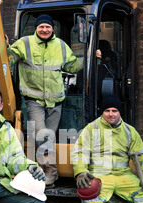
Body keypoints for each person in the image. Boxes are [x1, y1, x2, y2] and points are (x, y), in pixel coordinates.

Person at [7, 14, 101, 188]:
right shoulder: (25, 43)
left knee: (46, 138)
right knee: (43, 137)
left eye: (47, 27)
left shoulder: (61, 46)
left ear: (52, 29)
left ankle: (45, 173)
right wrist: (3, 45)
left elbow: (72, 65)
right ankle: (51, 173)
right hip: (34, 101)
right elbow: (9, 58)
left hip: (56, 103)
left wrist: (91, 58)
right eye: (41, 26)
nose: (44, 29)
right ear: (36, 28)